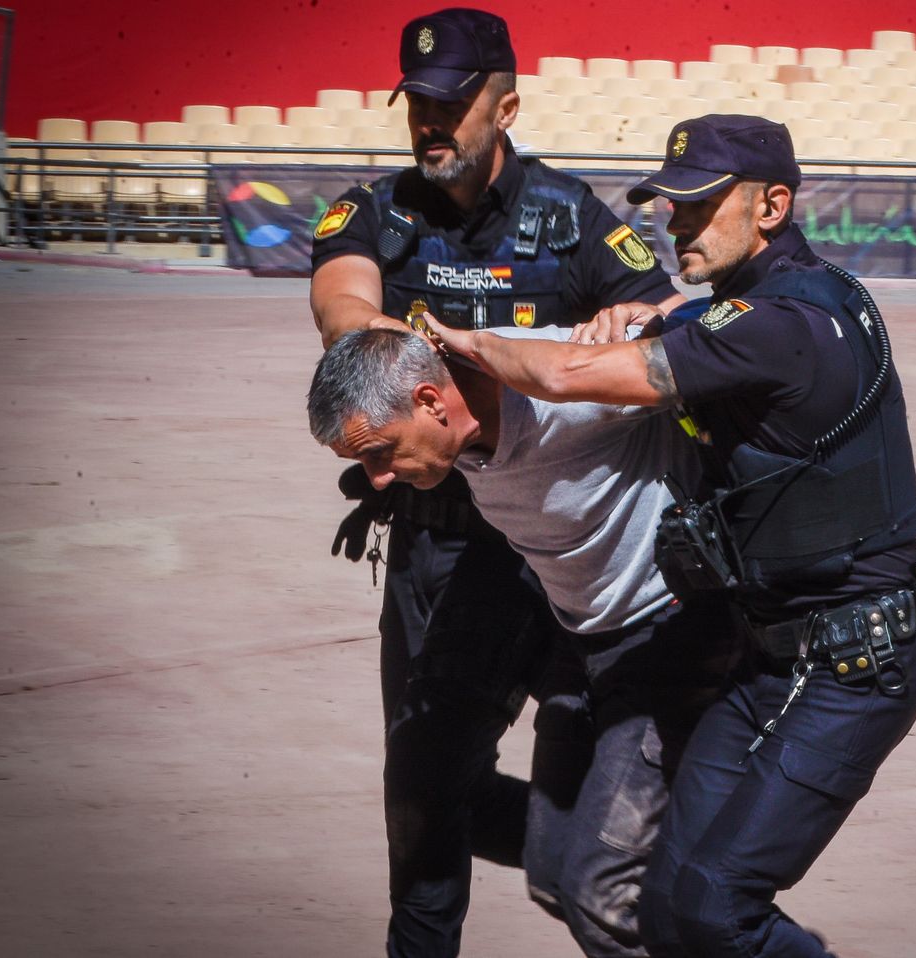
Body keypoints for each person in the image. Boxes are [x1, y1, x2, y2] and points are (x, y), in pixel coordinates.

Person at [424, 114, 916, 958]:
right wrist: (648, 310)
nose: (675, 225)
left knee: (714, 909)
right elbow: (695, 323)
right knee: (665, 907)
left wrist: (468, 343)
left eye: (700, 208)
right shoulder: (800, 298)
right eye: (670, 207)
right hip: (775, 656)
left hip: (856, 664)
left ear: (772, 205)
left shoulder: (775, 326)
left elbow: (563, 375)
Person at [306, 9, 682, 956]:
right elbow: (346, 313)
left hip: (560, 554)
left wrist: (632, 315)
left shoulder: (569, 212)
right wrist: (429, 355)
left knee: (547, 788)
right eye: (417, 105)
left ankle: (661, 888)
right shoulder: (370, 212)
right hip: (442, 542)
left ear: (504, 104)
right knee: (425, 786)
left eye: (450, 104)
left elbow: (656, 318)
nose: (430, 122)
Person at [307, 326, 733, 957]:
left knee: (601, 895)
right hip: (587, 646)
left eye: (380, 452)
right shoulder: (458, 431)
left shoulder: (565, 391)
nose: (376, 479)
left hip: (670, 637)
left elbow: (714, 354)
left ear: (430, 401)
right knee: (554, 873)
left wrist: (653, 315)